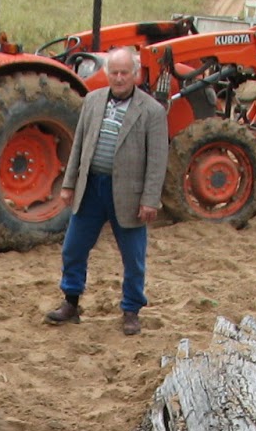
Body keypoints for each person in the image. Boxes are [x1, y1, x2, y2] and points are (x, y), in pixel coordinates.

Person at [44, 46, 169, 337]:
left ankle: (131, 310)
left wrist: (150, 199)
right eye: (114, 72)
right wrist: (69, 184)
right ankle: (71, 302)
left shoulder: (152, 111)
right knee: (73, 247)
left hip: (128, 192)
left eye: (125, 72)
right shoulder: (92, 100)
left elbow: (157, 160)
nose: (120, 78)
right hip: (92, 188)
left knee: (133, 256)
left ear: (135, 75)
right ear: (107, 74)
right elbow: (79, 146)